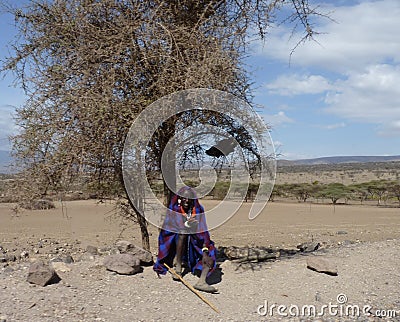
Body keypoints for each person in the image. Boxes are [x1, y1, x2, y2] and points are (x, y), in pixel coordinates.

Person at [153, 186, 218, 293]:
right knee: (182, 234)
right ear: (180, 198)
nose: (186, 200)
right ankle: (178, 267)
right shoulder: (175, 209)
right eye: (184, 198)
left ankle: (201, 281)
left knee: (210, 252)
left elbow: (203, 229)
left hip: (195, 239)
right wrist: (187, 224)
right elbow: (172, 227)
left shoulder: (198, 210)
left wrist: (205, 248)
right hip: (175, 240)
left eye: (189, 198)